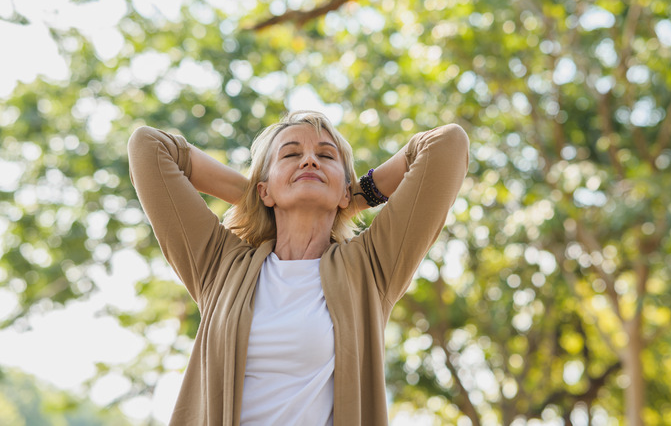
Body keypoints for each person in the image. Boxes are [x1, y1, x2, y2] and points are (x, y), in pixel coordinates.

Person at [127, 110, 469, 425]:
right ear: (265, 189)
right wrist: (255, 197)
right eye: (291, 155)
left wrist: (355, 196)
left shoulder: (371, 266)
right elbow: (149, 147)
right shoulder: (220, 264)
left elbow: (446, 145)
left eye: (325, 156)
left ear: (345, 192)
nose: (309, 160)